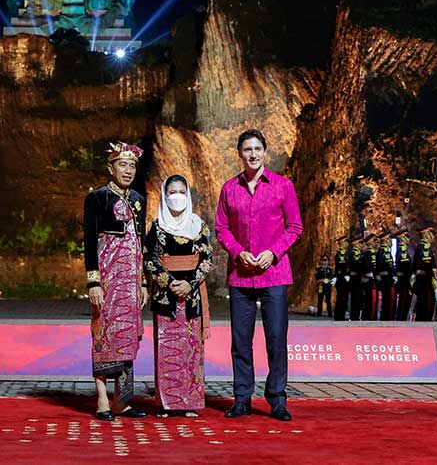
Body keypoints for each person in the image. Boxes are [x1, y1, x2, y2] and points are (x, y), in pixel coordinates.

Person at [215, 129, 303, 422]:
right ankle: (242, 398)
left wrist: (272, 253)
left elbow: (295, 227)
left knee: (276, 339)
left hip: (275, 274)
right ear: (239, 154)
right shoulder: (229, 188)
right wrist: (237, 251)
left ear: (266, 152)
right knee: (241, 341)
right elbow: (221, 229)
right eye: (246, 150)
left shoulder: (283, 186)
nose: (252, 154)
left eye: (257, 149)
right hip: (240, 275)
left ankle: (277, 399)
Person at [84, 141, 148, 421]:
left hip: (132, 281)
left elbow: (142, 241)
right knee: (104, 333)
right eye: (123, 164)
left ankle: (122, 400)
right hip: (108, 280)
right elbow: (89, 241)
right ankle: (101, 399)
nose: (128, 170)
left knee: (127, 336)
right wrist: (93, 282)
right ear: (111, 168)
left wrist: (144, 282)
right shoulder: (97, 198)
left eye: (133, 166)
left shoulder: (138, 199)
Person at [144, 174, 213, 418]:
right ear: (164, 196)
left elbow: (206, 260)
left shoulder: (199, 226)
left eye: (181, 192)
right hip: (166, 298)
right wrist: (171, 283)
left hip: (192, 298)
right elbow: (149, 260)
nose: (177, 197)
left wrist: (189, 284)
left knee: (192, 351)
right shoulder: (157, 227)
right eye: (172, 192)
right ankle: (167, 403)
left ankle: (189, 403)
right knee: (168, 350)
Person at [411, 225, 437, 322]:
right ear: (426, 235)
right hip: (424, 284)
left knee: (427, 310)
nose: (433, 237)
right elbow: (421, 269)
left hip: (426, 283)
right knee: (425, 310)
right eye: (432, 234)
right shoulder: (422, 248)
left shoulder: (427, 248)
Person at [374, 229, 395, 320]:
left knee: (389, 302)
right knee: (388, 302)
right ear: (386, 240)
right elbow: (379, 269)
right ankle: (386, 318)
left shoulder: (387, 252)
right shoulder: (381, 253)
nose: (391, 241)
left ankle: (387, 317)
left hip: (388, 280)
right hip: (385, 281)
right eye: (389, 239)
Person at [394, 228, 413, 321]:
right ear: (402, 238)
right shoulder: (401, 252)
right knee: (403, 304)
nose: (408, 239)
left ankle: (403, 320)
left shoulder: (404, 251)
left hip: (406, 281)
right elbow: (403, 267)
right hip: (403, 282)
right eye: (407, 237)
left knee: (406, 304)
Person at [333, 235, 351, 321]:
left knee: (344, 297)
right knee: (341, 298)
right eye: (345, 242)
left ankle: (342, 314)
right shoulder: (340, 254)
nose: (346, 244)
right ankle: (339, 315)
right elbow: (341, 267)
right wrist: (345, 274)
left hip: (345, 278)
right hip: (341, 278)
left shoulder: (345, 253)